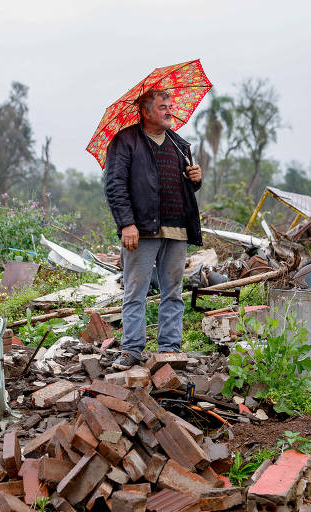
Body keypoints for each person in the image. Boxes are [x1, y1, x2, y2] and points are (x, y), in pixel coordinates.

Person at [104, 89, 202, 371]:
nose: (169, 110)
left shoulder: (179, 144)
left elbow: (184, 187)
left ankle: (170, 349)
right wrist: (126, 223)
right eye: (162, 107)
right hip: (141, 230)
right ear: (145, 112)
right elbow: (115, 186)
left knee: (173, 292)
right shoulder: (125, 141)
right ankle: (132, 349)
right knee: (136, 290)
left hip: (177, 229)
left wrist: (195, 179)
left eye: (170, 105)